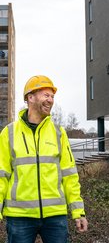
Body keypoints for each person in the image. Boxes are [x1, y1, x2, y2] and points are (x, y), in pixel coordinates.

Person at [0, 75, 88, 243]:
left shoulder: (58, 132)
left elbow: (70, 176)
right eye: (46, 95)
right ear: (30, 97)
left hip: (55, 217)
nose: (51, 100)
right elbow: (1, 176)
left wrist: (78, 212)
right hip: (19, 217)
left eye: (52, 96)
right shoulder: (9, 133)